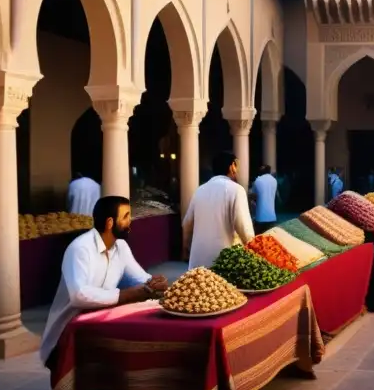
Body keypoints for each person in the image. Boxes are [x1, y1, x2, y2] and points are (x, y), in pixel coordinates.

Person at [39, 196, 167, 367]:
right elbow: (79, 295)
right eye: (126, 216)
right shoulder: (80, 248)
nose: (130, 221)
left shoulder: (120, 247)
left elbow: (140, 278)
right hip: (66, 333)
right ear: (109, 223)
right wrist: (128, 294)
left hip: (98, 327)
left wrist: (154, 282)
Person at [183, 150, 254, 269]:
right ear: (232, 166)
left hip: (198, 263)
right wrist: (255, 250)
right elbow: (244, 228)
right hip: (223, 262)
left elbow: (187, 223)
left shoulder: (200, 190)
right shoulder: (236, 190)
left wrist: (185, 248)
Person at [250, 164, 278, 233]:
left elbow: (253, 195)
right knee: (270, 237)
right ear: (269, 171)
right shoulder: (274, 180)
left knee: (258, 237)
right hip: (272, 217)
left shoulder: (258, 180)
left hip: (260, 218)